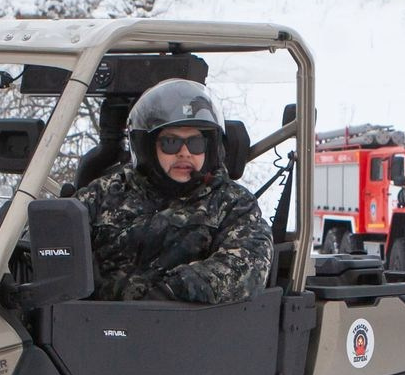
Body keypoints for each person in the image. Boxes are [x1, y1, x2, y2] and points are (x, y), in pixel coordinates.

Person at [80, 80, 271, 304]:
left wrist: (170, 292)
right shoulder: (104, 195)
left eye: (195, 143)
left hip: (189, 330)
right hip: (97, 326)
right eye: (170, 143)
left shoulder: (232, 204)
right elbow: (46, 246)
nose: (184, 153)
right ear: (148, 147)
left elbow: (249, 263)